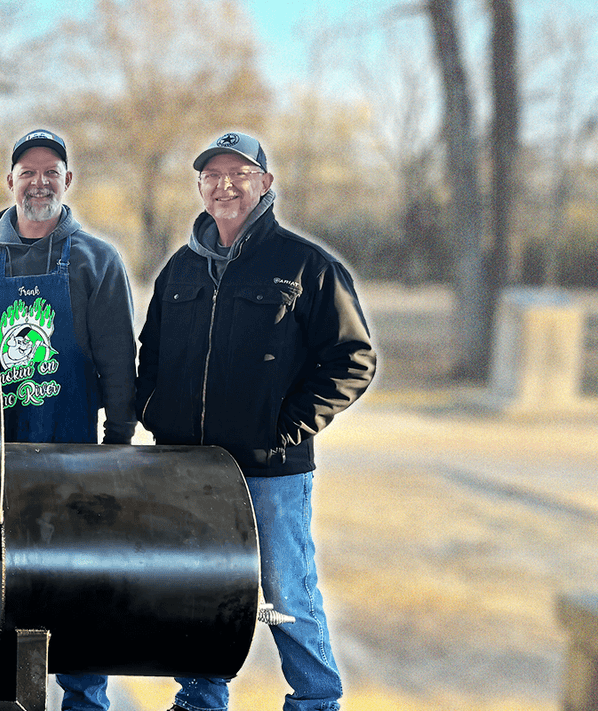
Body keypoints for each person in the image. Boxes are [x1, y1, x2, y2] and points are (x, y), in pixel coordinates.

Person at [137, 131, 375, 711]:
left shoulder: (307, 264)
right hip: (191, 468)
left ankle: (316, 700)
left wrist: (285, 426)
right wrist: (154, 414)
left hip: (271, 470)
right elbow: (153, 353)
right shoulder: (180, 270)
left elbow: (354, 359)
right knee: (200, 588)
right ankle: (200, 696)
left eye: (240, 173)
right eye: (213, 175)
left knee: (286, 589)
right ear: (200, 188)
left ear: (265, 183)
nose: (226, 185)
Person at [0, 129, 137, 710]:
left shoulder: (97, 259)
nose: (39, 182)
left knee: (82, 583)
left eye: (50, 171)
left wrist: (121, 435)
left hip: (76, 450)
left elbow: (116, 353)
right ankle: (6, 699)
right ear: (9, 181)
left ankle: (84, 701)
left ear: (67, 180)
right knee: (6, 585)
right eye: (27, 171)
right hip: (1, 457)